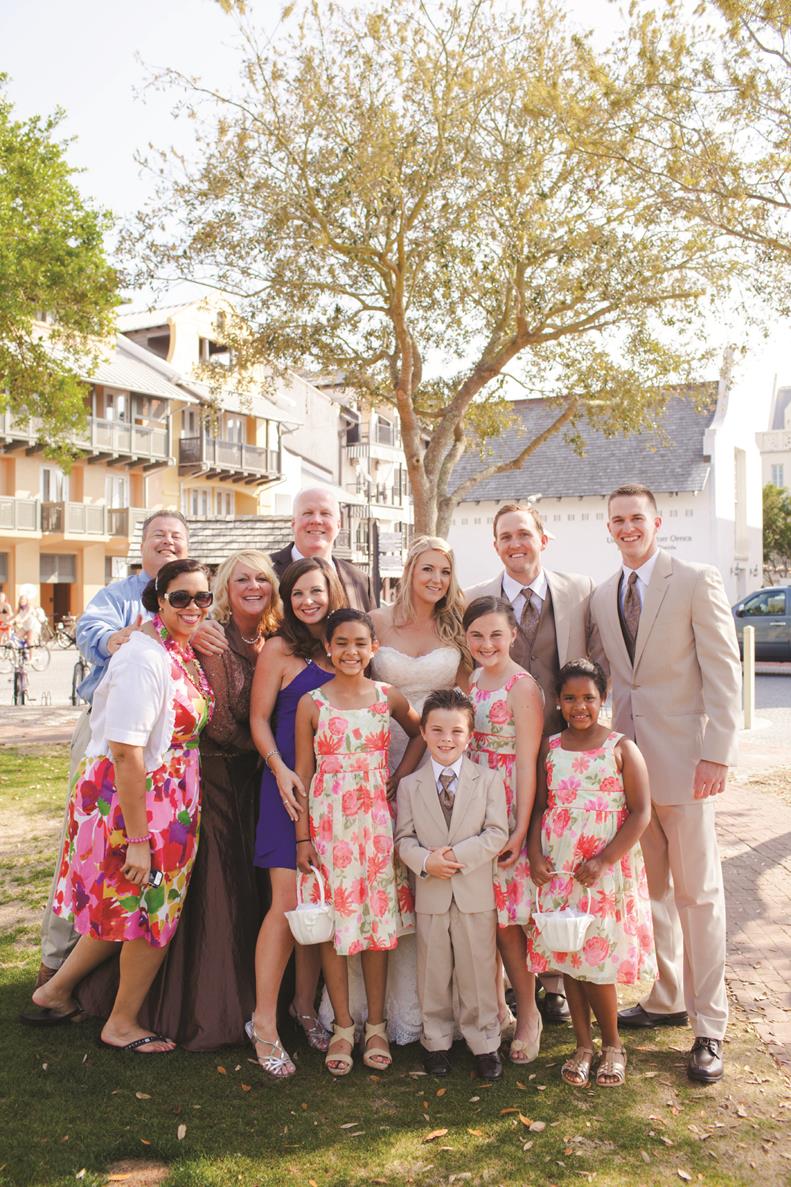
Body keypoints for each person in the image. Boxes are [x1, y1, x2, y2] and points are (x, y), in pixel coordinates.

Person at [26, 559, 214, 1053]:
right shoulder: (142, 657)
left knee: (126, 905)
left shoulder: (176, 649)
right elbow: (127, 752)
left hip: (165, 803)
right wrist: (137, 842)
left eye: (202, 598)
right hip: (138, 808)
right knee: (153, 906)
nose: (193, 607)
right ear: (157, 599)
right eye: (181, 598)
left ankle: (55, 990)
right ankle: (122, 1023)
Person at [589, 483, 741, 1084]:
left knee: (699, 897)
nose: (627, 527)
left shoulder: (695, 578)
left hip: (687, 765)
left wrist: (718, 754)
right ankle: (666, 996)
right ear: (610, 527)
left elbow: (723, 670)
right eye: (617, 520)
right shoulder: (605, 595)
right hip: (630, 773)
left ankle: (710, 1027)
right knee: (650, 893)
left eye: (636, 518)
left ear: (656, 521)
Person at [324, 535, 470, 1046]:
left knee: (426, 874)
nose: (436, 580)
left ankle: (425, 1006)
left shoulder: (457, 624)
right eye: (428, 569)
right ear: (409, 569)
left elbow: (468, 691)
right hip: (373, 757)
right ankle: (363, 1011)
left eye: (445, 573)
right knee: (377, 874)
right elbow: (344, 675)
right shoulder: (376, 622)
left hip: (440, 752)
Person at [464, 501, 606, 1023]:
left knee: (551, 865)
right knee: (510, 875)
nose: (516, 543)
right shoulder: (475, 597)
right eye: (505, 536)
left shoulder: (579, 590)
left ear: (543, 538)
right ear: (495, 544)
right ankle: (512, 990)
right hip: (498, 762)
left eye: (524, 533)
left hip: (563, 753)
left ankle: (553, 984)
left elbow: (595, 665)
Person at [141, 550, 281, 1049]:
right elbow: (219, 722)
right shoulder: (211, 634)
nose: (252, 586)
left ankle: (270, 997)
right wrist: (270, 749)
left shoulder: (274, 638)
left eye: (261, 578)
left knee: (257, 887)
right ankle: (214, 1004)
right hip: (219, 776)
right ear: (226, 586)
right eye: (241, 578)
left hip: (261, 782)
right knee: (220, 887)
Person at [294, 609, 423, 1076]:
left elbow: (419, 734)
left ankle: (378, 1025)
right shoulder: (312, 703)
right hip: (329, 827)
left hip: (375, 825)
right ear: (328, 647)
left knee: (376, 926)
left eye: (360, 644)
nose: (351, 652)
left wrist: (398, 776)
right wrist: (303, 836)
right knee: (335, 922)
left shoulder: (386, 697)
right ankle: (344, 1026)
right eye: (341, 643)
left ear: (373, 649)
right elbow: (303, 775)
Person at [526, 660, 655, 1088]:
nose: (579, 706)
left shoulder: (621, 747)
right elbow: (541, 806)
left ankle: (612, 1045)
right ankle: (582, 1045)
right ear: (559, 702)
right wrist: (535, 852)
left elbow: (640, 812)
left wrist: (604, 859)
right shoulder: (550, 747)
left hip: (601, 870)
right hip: (561, 867)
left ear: (603, 699)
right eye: (570, 698)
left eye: (588, 698)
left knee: (596, 962)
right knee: (568, 958)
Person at [248, 558, 347, 1078]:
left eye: (317, 590)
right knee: (285, 905)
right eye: (299, 594)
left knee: (319, 905)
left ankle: (304, 1006)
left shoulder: (345, 644)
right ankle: (263, 1022)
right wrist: (280, 769)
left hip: (335, 796)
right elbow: (258, 719)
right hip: (286, 788)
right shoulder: (279, 649)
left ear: (331, 590)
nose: (310, 601)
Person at [396, 689, 509, 1081]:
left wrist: (454, 858)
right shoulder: (410, 786)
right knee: (433, 972)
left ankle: (485, 1043)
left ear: (470, 735)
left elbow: (497, 833)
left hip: (474, 893)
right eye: (438, 730)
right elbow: (403, 840)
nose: (447, 739)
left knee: (478, 972)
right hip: (431, 894)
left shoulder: (488, 780)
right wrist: (427, 861)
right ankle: (436, 1043)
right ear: (424, 733)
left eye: (456, 731)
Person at [463, 597, 545, 1064]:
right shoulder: (473, 680)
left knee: (511, 919)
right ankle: (495, 1008)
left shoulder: (522, 687)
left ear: (513, 634)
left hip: (509, 801)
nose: (486, 643)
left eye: (496, 634)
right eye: (477, 635)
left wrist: (518, 829)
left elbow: (528, 763)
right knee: (484, 914)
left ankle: (528, 1011)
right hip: (474, 803)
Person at [270, 486, 375, 610]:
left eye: (325, 513)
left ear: (338, 525)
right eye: (308, 513)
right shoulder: (265, 571)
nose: (316, 520)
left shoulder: (360, 581)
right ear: (293, 523)